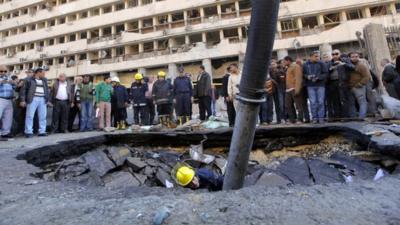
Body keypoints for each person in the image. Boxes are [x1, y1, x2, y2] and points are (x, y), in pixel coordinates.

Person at [20, 67, 50, 138]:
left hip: (42, 99)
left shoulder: (44, 80)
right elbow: (23, 90)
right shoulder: (28, 79)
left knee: (43, 116)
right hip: (32, 99)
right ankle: (28, 132)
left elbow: (46, 90)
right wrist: (22, 100)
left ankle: (42, 131)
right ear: (38, 73)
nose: (44, 74)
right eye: (43, 73)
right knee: (30, 116)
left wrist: (47, 100)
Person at [327, 50, 355, 120]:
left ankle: (345, 116)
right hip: (333, 83)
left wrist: (343, 64)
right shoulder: (329, 63)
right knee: (335, 100)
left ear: (340, 54)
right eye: (333, 54)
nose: (335, 55)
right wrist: (330, 69)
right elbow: (325, 72)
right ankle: (337, 116)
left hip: (342, 82)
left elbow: (352, 67)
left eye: (336, 54)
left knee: (343, 99)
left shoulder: (344, 60)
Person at [303, 51, 328, 123]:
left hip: (320, 85)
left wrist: (318, 78)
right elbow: (303, 74)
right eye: (316, 56)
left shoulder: (322, 63)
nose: (317, 57)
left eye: (318, 56)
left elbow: (326, 73)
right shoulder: (305, 64)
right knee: (313, 102)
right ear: (311, 57)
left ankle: (321, 118)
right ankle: (314, 118)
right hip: (310, 86)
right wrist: (307, 76)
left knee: (320, 102)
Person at [348, 52, 371, 120]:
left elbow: (367, 76)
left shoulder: (361, 65)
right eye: (352, 56)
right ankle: (353, 118)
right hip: (350, 87)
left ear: (358, 57)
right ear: (349, 58)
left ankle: (361, 118)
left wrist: (360, 84)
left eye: (356, 56)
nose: (354, 58)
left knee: (362, 102)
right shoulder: (347, 65)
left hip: (359, 87)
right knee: (351, 103)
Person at [283, 56, 304, 124]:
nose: (283, 63)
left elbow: (298, 78)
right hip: (288, 90)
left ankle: (300, 119)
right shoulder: (288, 68)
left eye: (284, 61)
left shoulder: (296, 66)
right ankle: (292, 119)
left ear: (288, 61)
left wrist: (297, 89)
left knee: (298, 105)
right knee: (287, 105)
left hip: (294, 88)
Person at [0, 65, 16, 139]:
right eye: (1, 71)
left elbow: (14, 88)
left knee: (8, 117)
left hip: (9, 99)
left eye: (5, 71)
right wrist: (2, 82)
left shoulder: (9, 79)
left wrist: (14, 83)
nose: (3, 73)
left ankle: (5, 133)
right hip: (1, 99)